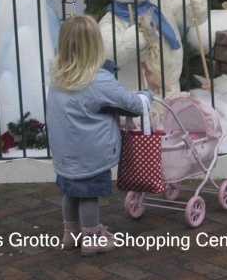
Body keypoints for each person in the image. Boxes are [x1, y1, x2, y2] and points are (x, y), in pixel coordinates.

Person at [46, 15, 153, 256]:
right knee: (89, 197)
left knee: (70, 192)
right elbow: (133, 104)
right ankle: (92, 237)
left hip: (65, 153)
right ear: (96, 45)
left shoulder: (58, 77)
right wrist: (146, 95)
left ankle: (70, 233)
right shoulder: (98, 79)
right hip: (92, 153)